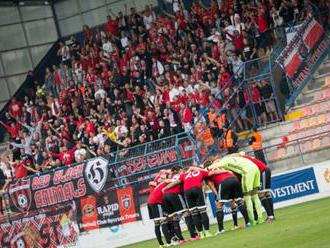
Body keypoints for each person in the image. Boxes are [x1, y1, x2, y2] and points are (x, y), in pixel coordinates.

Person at [209, 155, 264, 225]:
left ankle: (252, 221)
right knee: (255, 196)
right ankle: (260, 218)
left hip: (247, 172)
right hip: (255, 168)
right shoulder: (230, 157)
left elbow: (210, 169)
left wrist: (206, 167)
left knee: (247, 197)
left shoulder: (223, 162)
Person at [205, 160, 250, 233]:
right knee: (239, 202)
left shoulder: (207, 172)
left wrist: (218, 197)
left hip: (224, 182)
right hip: (235, 180)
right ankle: (247, 223)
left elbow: (212, 186)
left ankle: (221, 230)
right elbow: (232, 173)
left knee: (219, 206)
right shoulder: (220, 167)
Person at [169, 166, 212, 239]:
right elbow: (209, 173)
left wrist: (166, 188)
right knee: (202, 211)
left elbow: (176, 182)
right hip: (197, 189)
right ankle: (207, 232)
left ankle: (201, 234)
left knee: (194, 213)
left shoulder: (183, 174)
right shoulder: (199, 171)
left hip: (187, 191)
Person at [242, 155, 275, 222]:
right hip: (265, 170)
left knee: (261, 194)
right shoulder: (247, 158)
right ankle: (272, 216)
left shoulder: (243, 160)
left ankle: (270, 216)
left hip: (263, 171)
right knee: (267, 193)